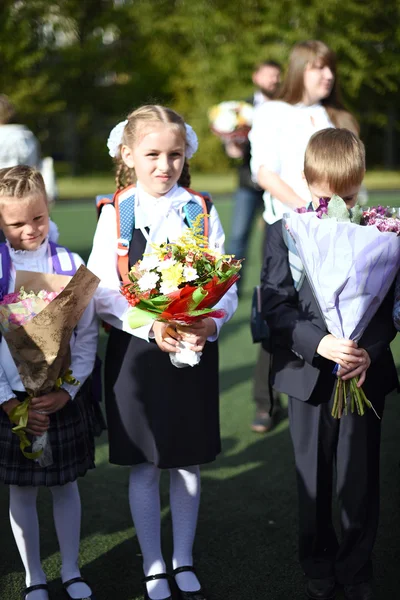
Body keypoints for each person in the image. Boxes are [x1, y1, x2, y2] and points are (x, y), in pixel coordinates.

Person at [87, 105, 238, 600]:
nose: (163, 165)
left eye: (174, 155)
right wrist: (150, 326)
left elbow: (226, 285)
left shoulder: (200, 208)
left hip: (191, 348)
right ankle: (154, 563)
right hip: (136, 354)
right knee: (146, 463)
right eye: (152, 154)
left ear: (185, 155)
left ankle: (184, 557)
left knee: (186, 462)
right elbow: (102, 291)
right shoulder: (116, 211)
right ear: (128, 155)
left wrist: (208, 323)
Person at [261, 128, 399, 600]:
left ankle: (357, 567)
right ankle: (317, 561)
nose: (336, 205)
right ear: (305, 180)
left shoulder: (381, 228)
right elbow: (274, 305)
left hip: (363, 372)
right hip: (309, 376)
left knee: (358, 480)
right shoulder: (284, 231)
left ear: (361, 183)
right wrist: (319, 343)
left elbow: (388, 307)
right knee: (314, 479)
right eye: (324, 195)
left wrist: (368, 351)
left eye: (349, 193)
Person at [249, 40, 359, 434]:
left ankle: (332, 379)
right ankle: (266, 400)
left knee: (329, 310)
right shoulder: (274, 112)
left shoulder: (333, 115)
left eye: (330, 68)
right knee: (277, 311)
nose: (327, 75)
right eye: (317, 67)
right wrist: (307, 213)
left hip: (331, 231)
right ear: (298, 70)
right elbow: (265, 173)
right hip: (289, 230)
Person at [0, 166, 98, 600]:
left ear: (48, 208)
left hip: (60, 398)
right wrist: (8, 401)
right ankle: (34, 576)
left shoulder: (69, 263)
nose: (29, 229)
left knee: (65, 484)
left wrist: (67, 391)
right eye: (16, 222)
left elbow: (86, 333)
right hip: (11, 402)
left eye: (37, 218)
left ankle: (72, 569)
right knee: (21, 490)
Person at [226, 59, 281, 289]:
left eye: (277, 75)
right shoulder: (242, 109)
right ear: (256, 77)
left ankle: (272, 290)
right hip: (248, 184)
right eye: (268, 74)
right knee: (238, 239)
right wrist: (231, 147)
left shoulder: (287, 107)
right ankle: (229, 291)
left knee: (275, 241)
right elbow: (231, 147)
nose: (273, 79)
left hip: (278, 185)